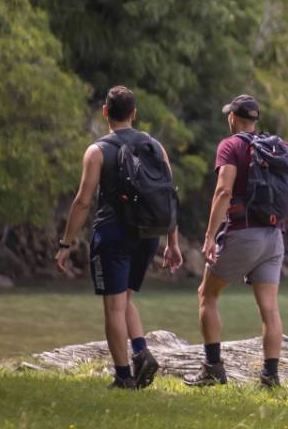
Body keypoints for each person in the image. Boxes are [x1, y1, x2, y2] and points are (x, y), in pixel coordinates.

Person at [55, 86, 184, 390]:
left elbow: (83, 201)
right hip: (148, 235)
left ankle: (123, 377)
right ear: (134, 113)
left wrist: (65, 243)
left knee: (113, 307)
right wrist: (173, 242)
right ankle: (141, 352)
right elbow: (168, 197)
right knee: (125, 299)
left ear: (105, 112)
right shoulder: (155, 147)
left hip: (113, 235)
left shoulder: (97, 151)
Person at [189, 93, 288, 388]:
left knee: (207, 295)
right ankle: (270, 378)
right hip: (274, 238)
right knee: (269, 309)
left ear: (232, 117)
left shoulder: (230, 146)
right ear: (255, 121)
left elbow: (223, 192)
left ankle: (213, 368)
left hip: (243, 233)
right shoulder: (279, 146)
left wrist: (209, 236)